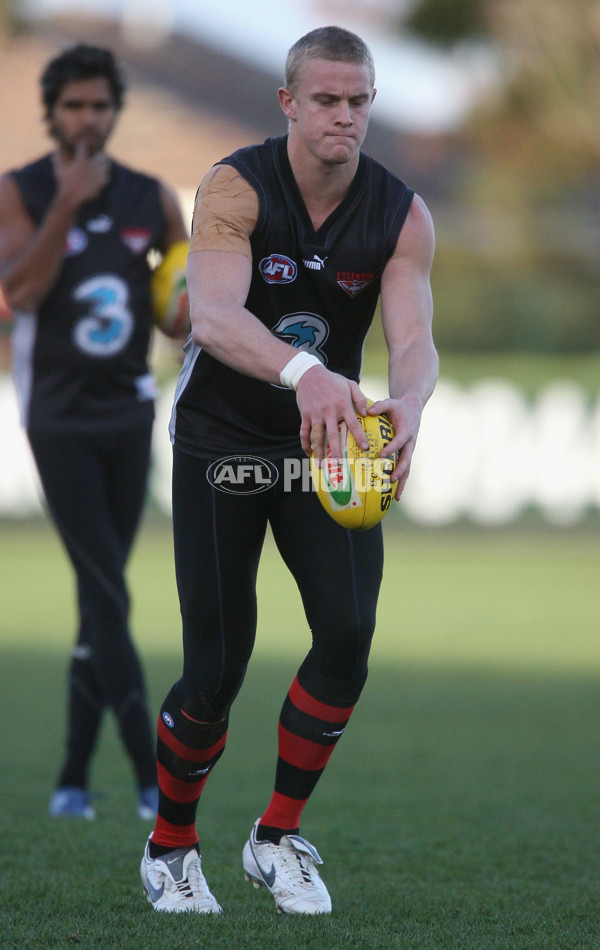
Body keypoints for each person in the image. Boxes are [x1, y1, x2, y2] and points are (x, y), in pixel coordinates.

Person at [140, 25, 438, 915]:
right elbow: (215, 318)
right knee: (216, 669)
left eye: (359, 101)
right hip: (223, 440)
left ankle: (275, 839)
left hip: (328, 447)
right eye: (326, 100)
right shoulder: (236, 184)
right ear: (289, 103)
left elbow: (414, 340)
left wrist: (413, 402)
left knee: (348, 638)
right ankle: (170, 848)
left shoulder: (401, 212)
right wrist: (309, 373)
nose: (344, 117)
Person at [0, 44, 189, 820]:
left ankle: (73, 781)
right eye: (74, 106)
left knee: (97, 597)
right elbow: (19, 290)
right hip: (58, 416)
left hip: (129, 409)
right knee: (109, 591)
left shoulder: (150, 196)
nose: (88, 119)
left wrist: (187, 312)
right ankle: (153, 778)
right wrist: (69, 204)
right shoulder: (23, 190)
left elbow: (177, 310)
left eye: (99, 105)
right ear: (51, 112)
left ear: (115, 111)